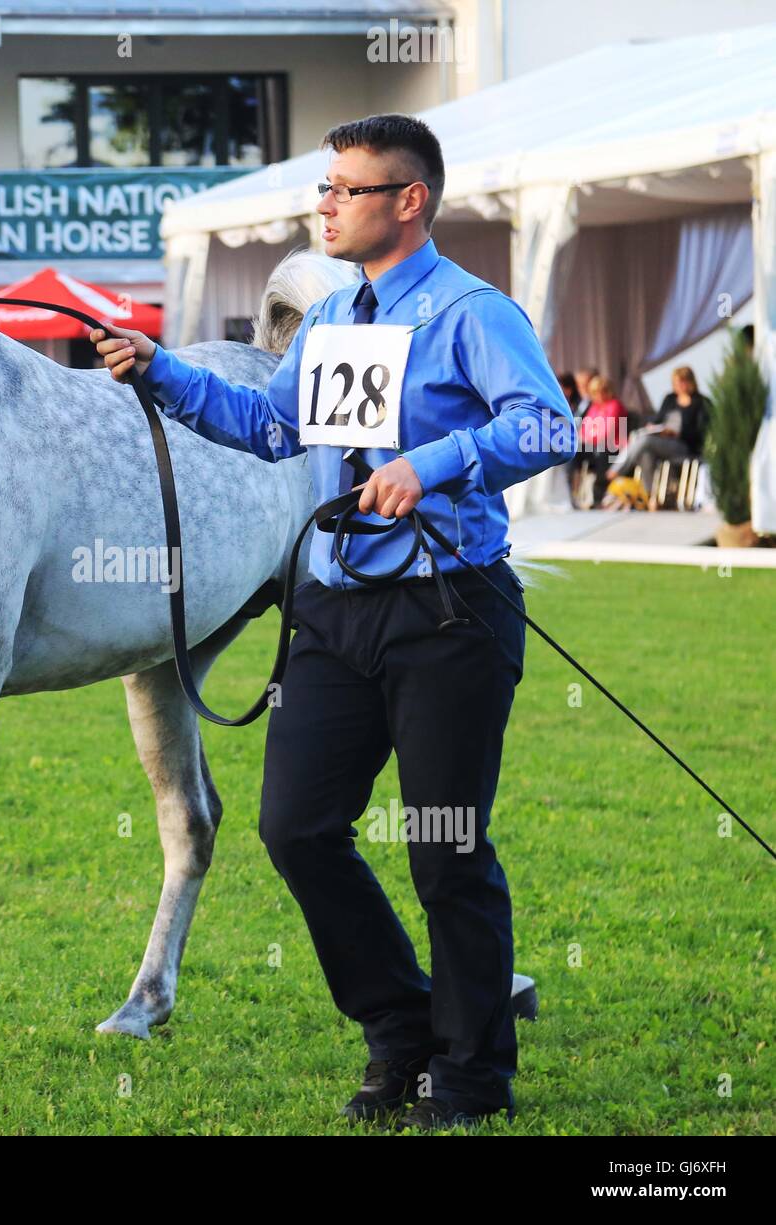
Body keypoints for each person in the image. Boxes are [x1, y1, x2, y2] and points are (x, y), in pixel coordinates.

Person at [92, 113, 575, 1131]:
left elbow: (545, 422)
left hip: (449, 613)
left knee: (444, 851)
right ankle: (400, 1024)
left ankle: (474, 1071)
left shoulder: (469, 312)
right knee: (296, 828)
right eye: (325, 188)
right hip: (335, 611)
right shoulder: (331, 321)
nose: (325, 205)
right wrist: (159, 369)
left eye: (345, 190)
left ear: (407, 201)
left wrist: (431, 464)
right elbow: (270, 426)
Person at [606, 365, 708, 492]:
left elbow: (701, 432)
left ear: (690, 382)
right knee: (644, 451)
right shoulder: (670, 399)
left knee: (644, 441)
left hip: (684, 445)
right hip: (662, 440)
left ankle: (616, 470)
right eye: (676, 382)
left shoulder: (701, 403)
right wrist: (654, 428)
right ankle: (651, 496)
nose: (679, 386)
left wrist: (677, 433)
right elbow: (659, 420)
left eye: (683, 382)